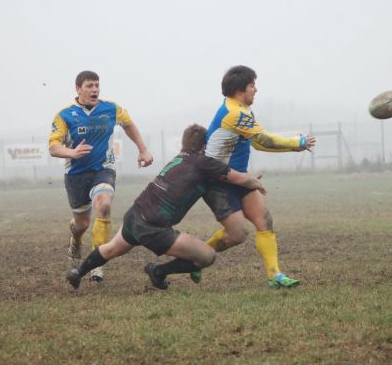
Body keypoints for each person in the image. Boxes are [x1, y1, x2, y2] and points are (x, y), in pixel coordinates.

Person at [66, 124, 266, 290]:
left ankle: (78, 272)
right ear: (204, 146)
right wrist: (254, 182)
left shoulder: (179, 158)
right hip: (154, 228)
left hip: (135, 214)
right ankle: (158, 271)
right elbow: (239, 178)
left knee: (111, 249)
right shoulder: (203, 163)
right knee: (207, 256)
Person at [197, 65, 316, 288]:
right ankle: (196, 258)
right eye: (252, 85)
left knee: (264, 220)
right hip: (218, 183)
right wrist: (296, 142)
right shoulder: (235, 113)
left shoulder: (240, 109)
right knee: (237, 235)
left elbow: (257, 144)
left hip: (239, 179)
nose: (256, 89)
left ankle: (275, 276)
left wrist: (294, 149)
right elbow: (264, 139)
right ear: (240, 89)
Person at [49, 70, 153, 282]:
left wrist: (142, 149)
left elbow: (128, 124)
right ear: (78, 89)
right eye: (89, 85)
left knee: (104, 206)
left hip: (103, 169)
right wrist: (72, 152)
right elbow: (53, 147)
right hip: (76, 174)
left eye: (97, 85)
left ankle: (97, 263)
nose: (95, 89)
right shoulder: (65, 115)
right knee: (82, 224)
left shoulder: (111, 108)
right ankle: (76, 240)